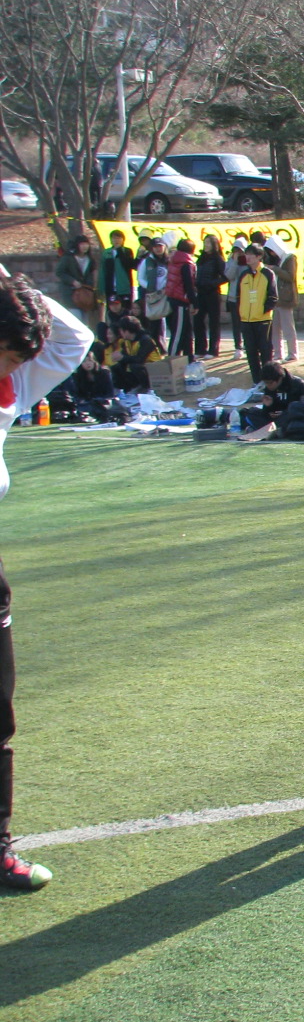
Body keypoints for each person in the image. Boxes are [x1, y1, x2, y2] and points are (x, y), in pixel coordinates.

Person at [0, 274, 92, 891]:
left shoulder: (16, 384)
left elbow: (73, 338)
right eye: (8, 355)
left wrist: (13, 285)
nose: (14, 368)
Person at [237, 244, 277, 384]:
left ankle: (268, 381)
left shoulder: (268, 274)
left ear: (259, 256)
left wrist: (263, 310)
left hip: (262, 320)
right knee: (251, 352)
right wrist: (241, 312)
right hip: (246, 320)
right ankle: (256, 381)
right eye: (246, 254)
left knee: (265, 352)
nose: (247, 257)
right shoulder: (244, 275)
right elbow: (238, 296)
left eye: (251, 254)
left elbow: (273, 296)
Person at [238, 360, 304, 434]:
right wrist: (269, 406)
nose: (268, 386)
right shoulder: (269, 388)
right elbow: (266, 412)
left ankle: (269, 430)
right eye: (266, 383)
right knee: (249, 412)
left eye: (270, 383)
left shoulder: (298, 384)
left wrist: (285, 412)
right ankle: (272, 430)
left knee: (293, 416)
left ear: (280, 378)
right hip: (274, 420)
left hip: (291, 417)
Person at [264, 236, 299, 362]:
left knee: (288, 327)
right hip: (275, 298)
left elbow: (290, 276)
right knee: (275, 329)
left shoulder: (290, 257)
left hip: (285, 298)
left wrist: (275, 269)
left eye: (272, 251)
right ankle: (278, 354)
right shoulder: (276, 258)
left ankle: (293, 353)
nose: (271, 254)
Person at [164, 238, 198, 360]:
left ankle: (189, 358)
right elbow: (189, 285)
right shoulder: (186, 264)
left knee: (187, 331)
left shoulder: (173, 260)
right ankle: (172, 359)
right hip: (181, 301)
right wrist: (195, 303)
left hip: (172, 298)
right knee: (178, 332)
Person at [194, 233, 226, 358]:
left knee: (214, 322)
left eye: (208, 243)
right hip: (200, 293)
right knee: (198, 321)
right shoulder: (201, 258)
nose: (206, 245)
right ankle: (200, 349)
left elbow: (225, 276)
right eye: (204, 243)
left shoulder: (218, 259)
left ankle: (213, 350)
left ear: (214, 245)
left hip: (212, 293)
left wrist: (212, 283)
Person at [107, 317, 160, 392]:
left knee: (135, 366)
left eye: (121, 330)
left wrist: (122, 357)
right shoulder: (127, 341)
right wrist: (118, 357)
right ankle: (124, 390)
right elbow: (126, 356)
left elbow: (140, 359)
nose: (120, 333)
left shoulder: (146, 340)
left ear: (127, 331)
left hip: (153, 369)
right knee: (117, 367)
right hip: (138, 367)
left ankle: (146, 389)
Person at [137, 237, 170, 350]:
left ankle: (166, 348)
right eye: (155, 247)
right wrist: (150, 287)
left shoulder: (169, 260)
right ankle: (155, 348)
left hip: (167, 294)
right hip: (153, 296)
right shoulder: (146, 261)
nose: (158, 249)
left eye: (160, 246)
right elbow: (140, 278)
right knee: (154, 322)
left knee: (169, 322)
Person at [56, 234, 97, 321]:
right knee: (75, 319)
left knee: (85, 322)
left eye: (86, 244)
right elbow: (59, 272)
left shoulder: (90, 259)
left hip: (85, 297)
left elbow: (91, 275)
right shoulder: (68, 258)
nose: (85, 246)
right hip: (70, 295)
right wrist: (72, 281)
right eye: (82, 244)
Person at [223, 237, 250, 354]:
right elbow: (229, 276)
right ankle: (238, 346)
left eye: (240, 250)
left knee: (247, 323)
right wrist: (234, 262)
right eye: (236, 250)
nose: (238, 253)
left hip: (246, 297)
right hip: (234, 297)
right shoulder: (230, 261)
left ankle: (248, 344)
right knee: (236, 323)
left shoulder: (249, 262)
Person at [99, 229, 136, 308]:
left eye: (119, 238)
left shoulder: (127, 251)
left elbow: (130, 265)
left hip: (124, 288)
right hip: (110, 287)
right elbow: (103, 271)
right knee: (111, 308)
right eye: (114, 238)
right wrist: (101, 288)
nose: (116, 240)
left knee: (126, 308)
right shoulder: (106, 252)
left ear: (123, 240)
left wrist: (120, 251)